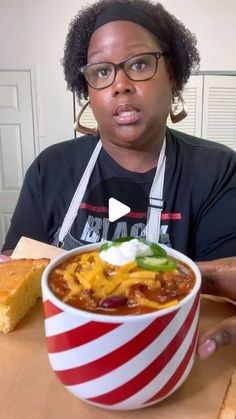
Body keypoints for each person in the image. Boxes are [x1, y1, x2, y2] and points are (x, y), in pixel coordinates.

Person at [2, 0, 236, 260]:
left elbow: (223, 295)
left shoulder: (218, 171)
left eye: (139, 64)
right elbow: (16, 271)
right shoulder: (49, 169)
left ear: (172, 74)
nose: (120, 85)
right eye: (102, 71)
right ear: (87, 90)